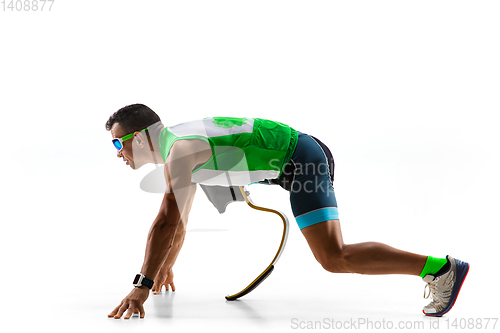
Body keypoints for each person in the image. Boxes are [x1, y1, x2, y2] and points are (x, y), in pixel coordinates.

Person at [106, 103, 469, 319]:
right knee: (207, 192)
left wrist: (142, 284)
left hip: (302, 160)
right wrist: (165, 265)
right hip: (289, 161)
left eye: (118, 143)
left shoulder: (180, 151)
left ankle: (441, 270)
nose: (118, 153)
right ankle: (438, 269)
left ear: (139, 137)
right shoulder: (177, 145)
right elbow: (178, 221)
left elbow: (166, 221)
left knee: (334, 257)